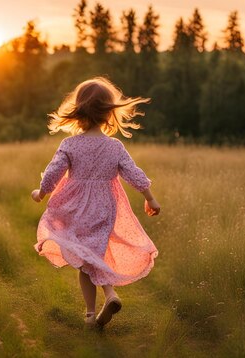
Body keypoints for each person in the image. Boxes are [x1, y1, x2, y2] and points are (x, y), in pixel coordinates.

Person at [31, 77, 160, 328]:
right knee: (94, 254)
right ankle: (109, 295)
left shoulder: (70, 144)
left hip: (76, 208)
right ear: (107, 114)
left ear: (78, 111)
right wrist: (151, 199)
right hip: (105, 208)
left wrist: (41, 192)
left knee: (85, 261)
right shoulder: (114, 147)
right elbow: (133, 173)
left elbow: (53, 173)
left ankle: (91, 314)